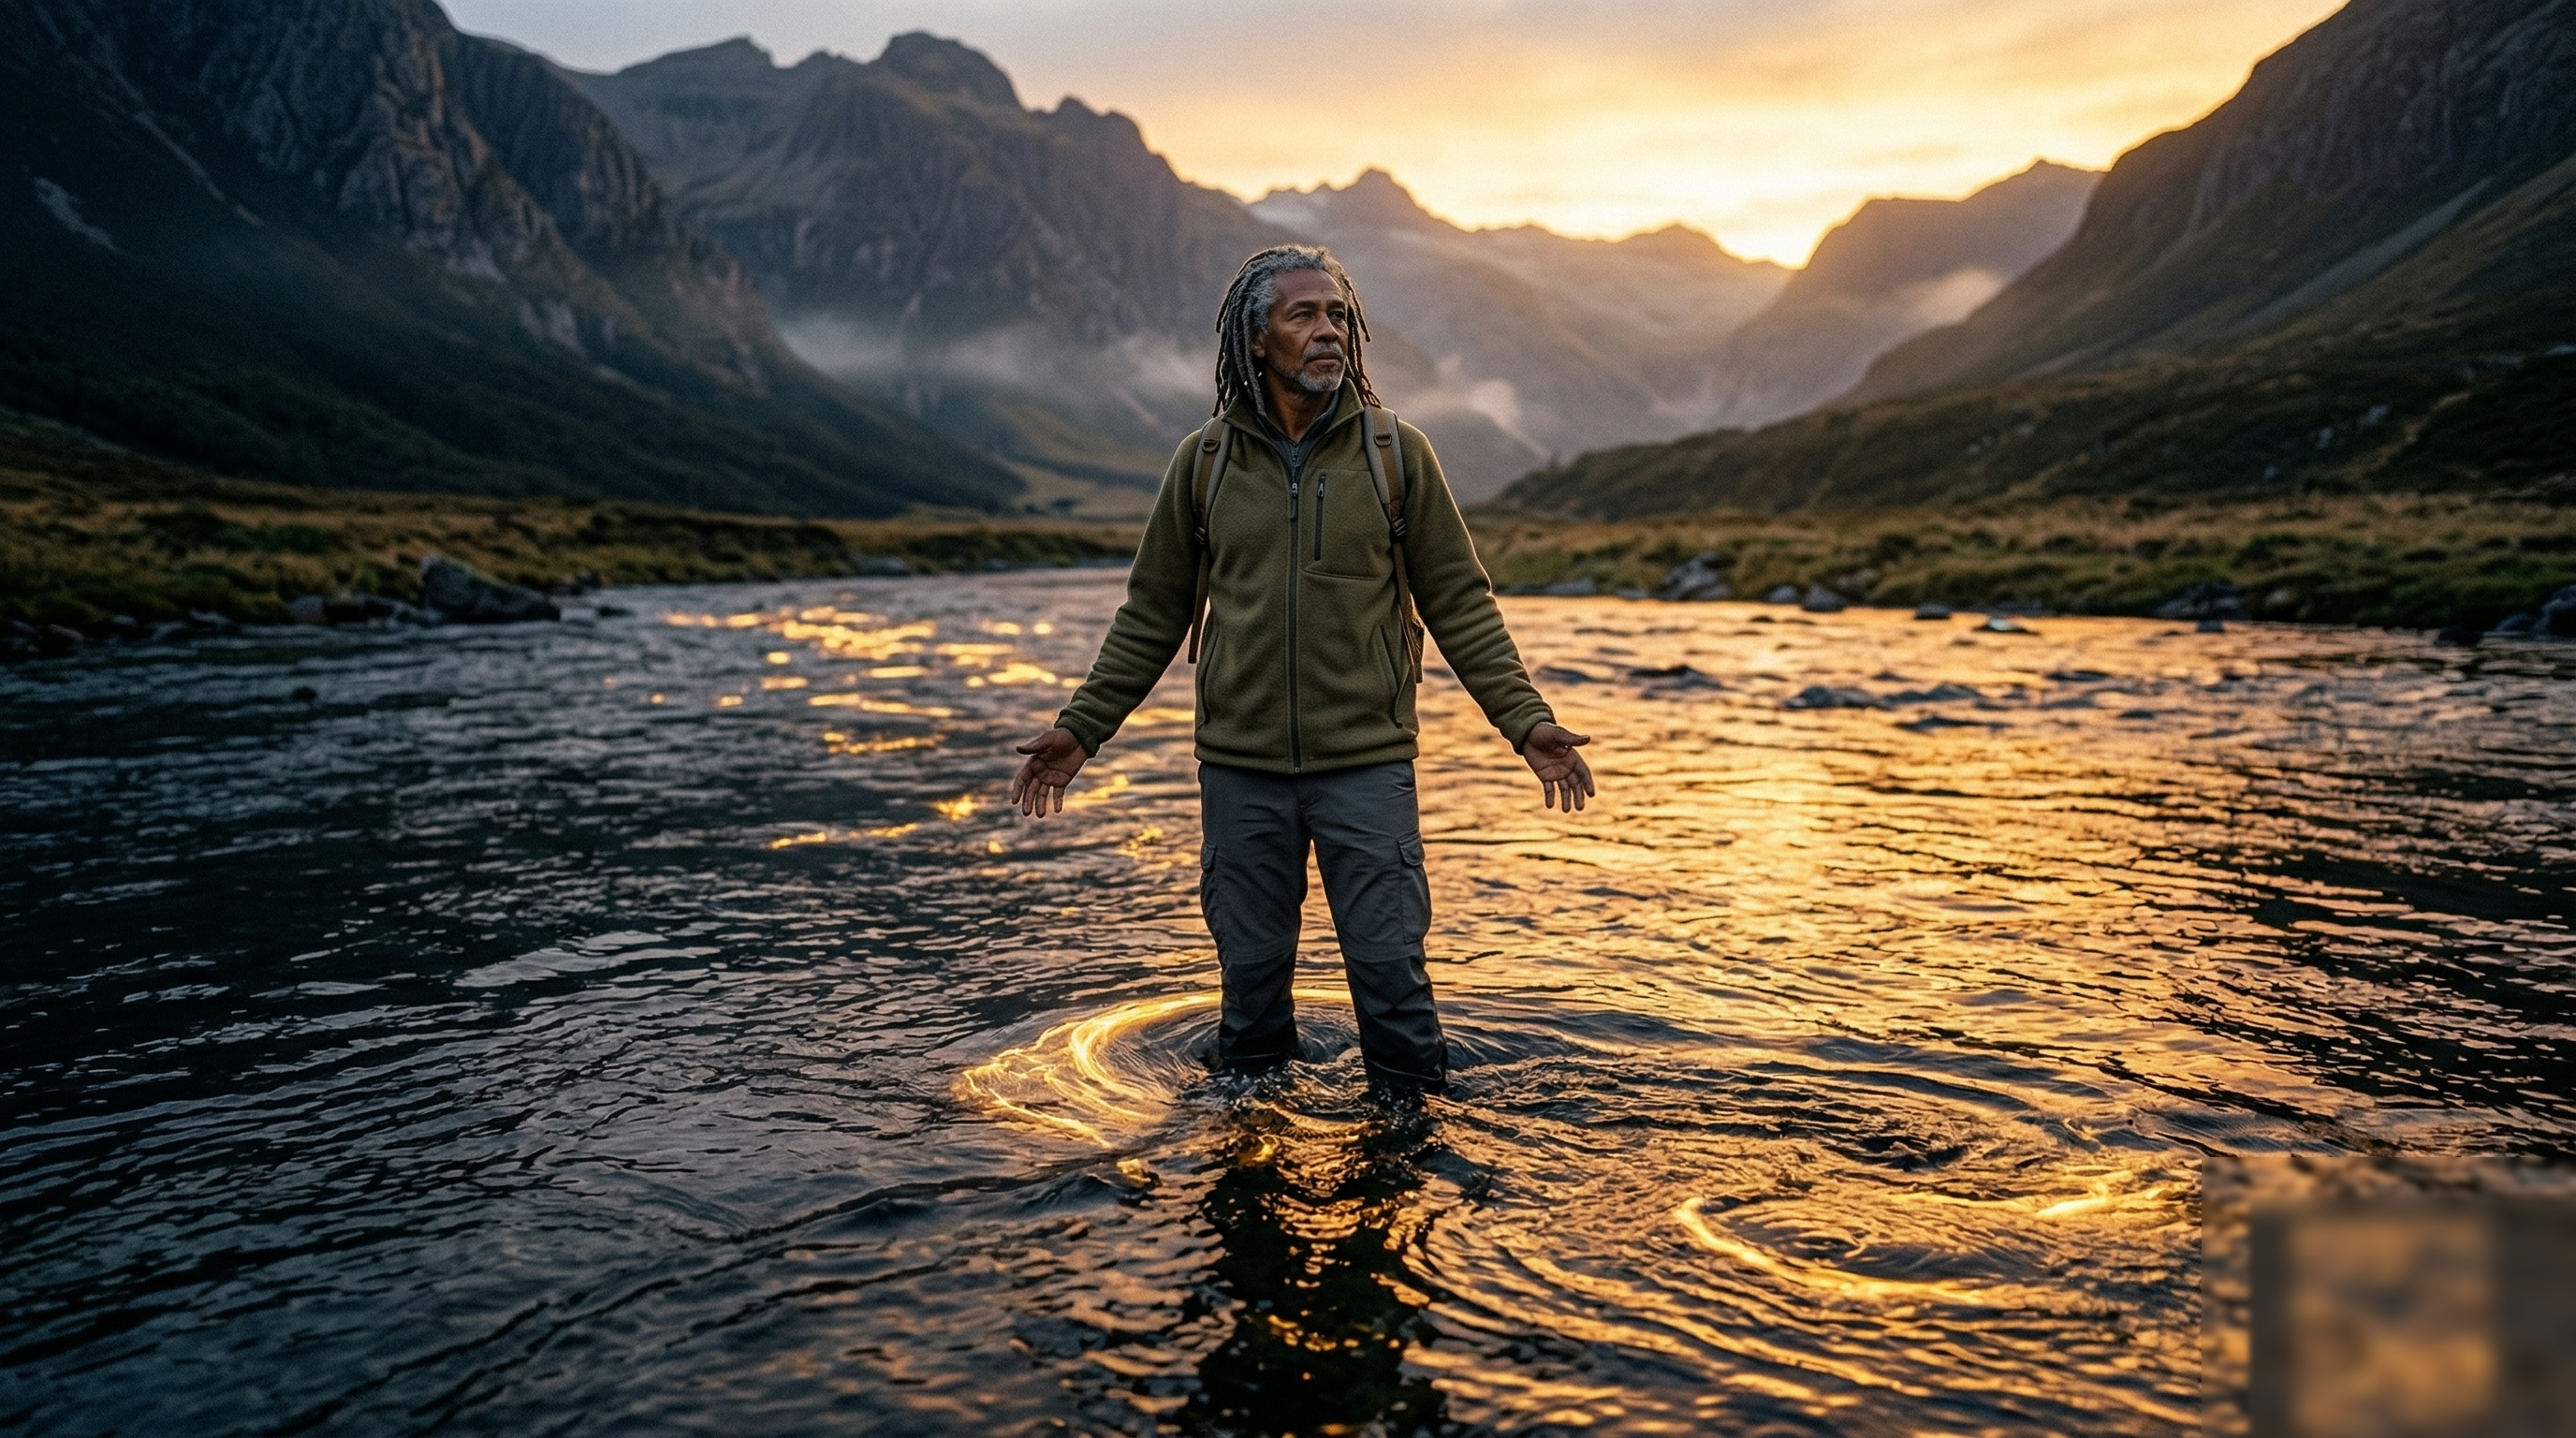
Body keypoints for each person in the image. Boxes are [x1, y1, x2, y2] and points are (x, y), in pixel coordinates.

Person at [1009, 244, 1593, 1093]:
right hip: (1240, 774)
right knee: (1249, 1005)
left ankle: (1410, 1153)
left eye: (1339, 317)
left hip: (1369, 767)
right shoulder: (1203, 465)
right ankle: (1250, 1164)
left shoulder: (1399, 455)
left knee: (1394, 989)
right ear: (1255, 341)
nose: (1330, 332)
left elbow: (1461, 603)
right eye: (1304, 316)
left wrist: (1526, 722)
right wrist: (1080, 730)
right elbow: (1151, 615)